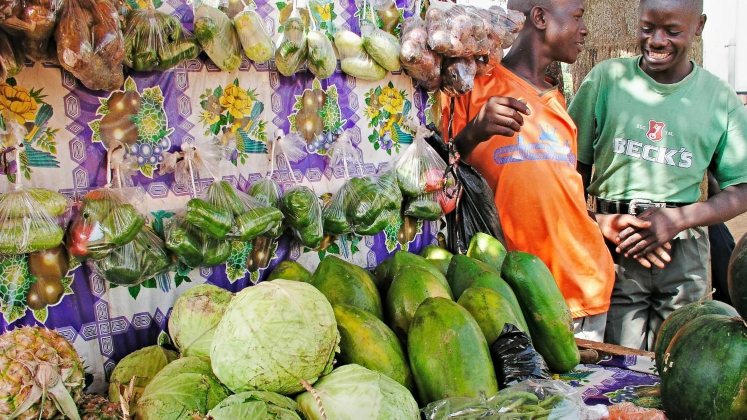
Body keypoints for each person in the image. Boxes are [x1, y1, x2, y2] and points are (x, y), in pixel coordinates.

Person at [569, 0, 747, 350]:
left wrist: (679, 219)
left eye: (672, 31)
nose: (657, 40)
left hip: (683, 252)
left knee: (680, 356)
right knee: (618, 362)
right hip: (615, 248)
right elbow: (569, 167)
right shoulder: (607, 80)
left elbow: (741, 187)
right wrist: (595, 223)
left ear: (699, 27)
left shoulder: (718, 98)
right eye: (648, 28)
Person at [441, 0, 615, 342]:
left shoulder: (557, 104)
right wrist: (475, 130)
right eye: (578, 17)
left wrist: (602, 223)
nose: (584, 30)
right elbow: (439, 168)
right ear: (539, 17)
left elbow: (561, 197)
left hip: (582, 284)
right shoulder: (473, 87)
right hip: (519, 296)